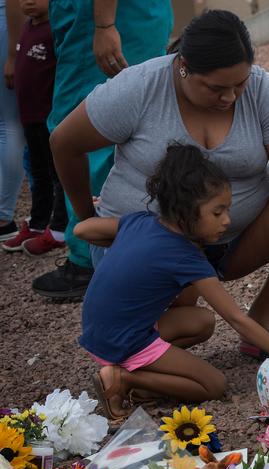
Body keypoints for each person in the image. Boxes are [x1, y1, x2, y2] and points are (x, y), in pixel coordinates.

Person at [51, 10, 269, 356]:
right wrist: (87, 217)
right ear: (183, 66)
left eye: (239, 84)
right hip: (149, 248)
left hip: (227, 239)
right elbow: (64, 143)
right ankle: (131, 354)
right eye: (216, 88)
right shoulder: (139, 87)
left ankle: (261, 324)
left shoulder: (261, 91)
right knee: (188, 318)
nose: (230, 98)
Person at [75, 144, 269, 419]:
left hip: (100, 329)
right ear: (185, 212)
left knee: (202, 321)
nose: (227, 220)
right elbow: (236, 318)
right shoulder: (186, 256)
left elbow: (83, 229)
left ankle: (138, 369)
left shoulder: (140, 222)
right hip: (123, 339)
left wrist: (130, 244)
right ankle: (125, 379)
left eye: (227, 210)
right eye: (217, 212)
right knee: (213, 384)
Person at [30, 0, 173, 297]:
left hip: (104, 17)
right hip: (133, 16)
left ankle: (90, 257)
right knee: (137, 116)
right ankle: (138, 248)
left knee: (83, 130)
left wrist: (104, 25)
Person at [2, 0, 68, 255]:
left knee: (58, 175)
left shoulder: (55, 30)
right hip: (29, 118)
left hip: (49, 118)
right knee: (38, 174)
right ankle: (39, 223)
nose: (27, 1)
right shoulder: (27, 28)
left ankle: (60, 228)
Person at [0, 0, 25, 241]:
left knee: (9, 126)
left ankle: (3, 216)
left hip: (9, 25)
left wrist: (13, 54)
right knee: (8, 125)